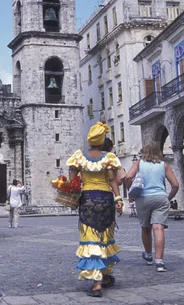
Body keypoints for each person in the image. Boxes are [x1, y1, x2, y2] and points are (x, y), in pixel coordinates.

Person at [67, 122, 123, 298]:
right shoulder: (109, 157)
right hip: (105, 199)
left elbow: (73, 182)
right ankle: (104, 276)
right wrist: (118, 198)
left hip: (88, 200)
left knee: (91, 238)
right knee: (105, 236)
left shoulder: (79, 157)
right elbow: (113, 179)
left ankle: (97, 283)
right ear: (102, 140)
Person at [125, 142, 179, 273]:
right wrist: (168, 198)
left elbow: (128, 177)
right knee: (158, 228)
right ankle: (159, 261)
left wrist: (131, 192)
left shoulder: (139, 163)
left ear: (144, 151)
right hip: (160, 197)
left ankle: (148, 255)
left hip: (143, 198)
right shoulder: (163, 165)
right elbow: (176, 185)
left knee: (145, 228)